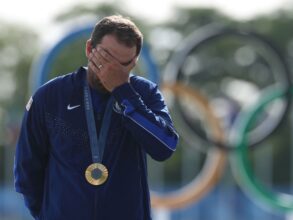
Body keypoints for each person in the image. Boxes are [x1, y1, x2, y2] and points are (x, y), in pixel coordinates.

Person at [14, 15, 179, 220]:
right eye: (106, 58)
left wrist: (123, 91)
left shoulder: (144, 93)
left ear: (135, 61)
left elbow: (165, 147)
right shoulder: (49, 97)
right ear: (90, 49)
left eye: (124, 65)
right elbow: (27, 171)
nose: (112, 70)